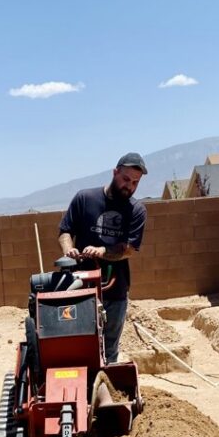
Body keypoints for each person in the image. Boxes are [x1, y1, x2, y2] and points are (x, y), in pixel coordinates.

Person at [58, 152, 148, 363]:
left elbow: (129, 250)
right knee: (77, 344)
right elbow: (64, 232)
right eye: (126, 179)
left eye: (135, 182)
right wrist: (69, 250)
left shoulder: (136, 210)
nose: (130, 186)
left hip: (115, 292)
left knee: (109, 350)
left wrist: (102, 252)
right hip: (79, 289)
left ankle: (105, 391)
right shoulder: (85, 199)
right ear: (115, 172)